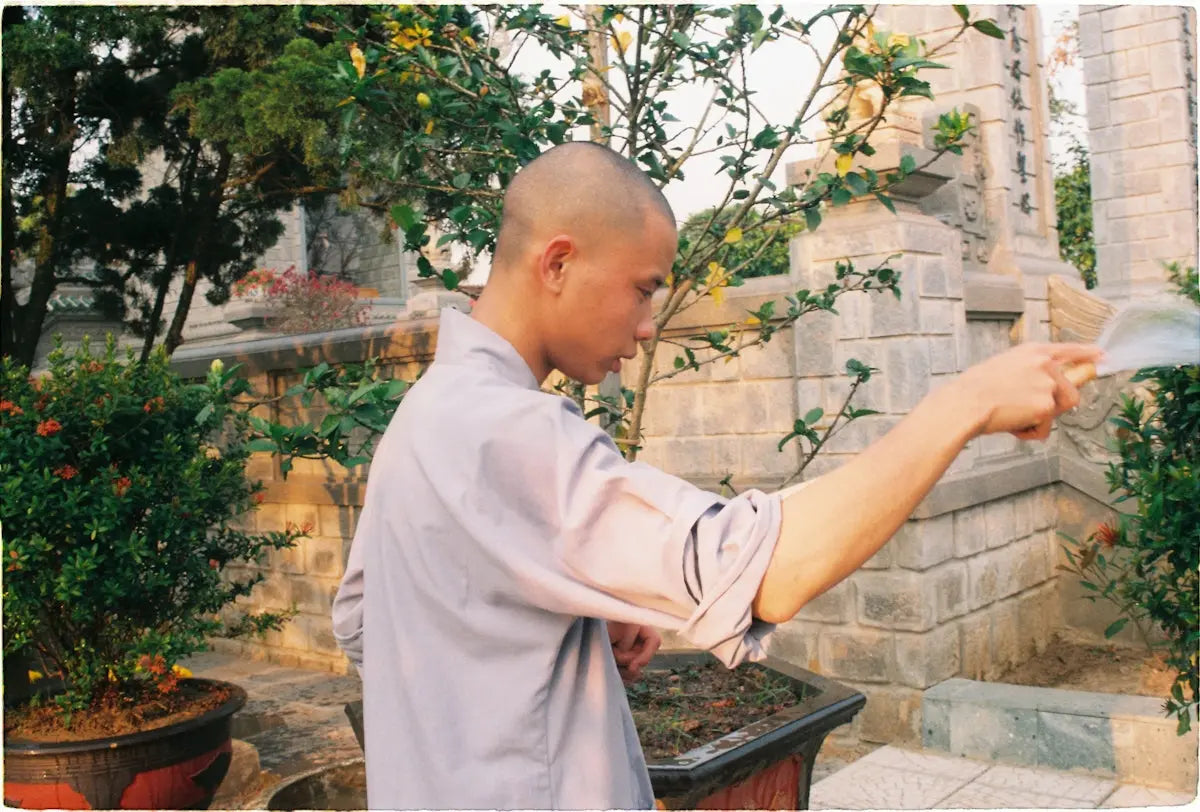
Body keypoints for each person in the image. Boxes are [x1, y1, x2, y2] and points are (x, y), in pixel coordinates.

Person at [331, 141, 1101, 810]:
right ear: (558, 262)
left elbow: (369, 624)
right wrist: (960, 405)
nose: (645, 326)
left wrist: (564, 606)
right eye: (643, 289)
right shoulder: (503, 428)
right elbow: (758, 570)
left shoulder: (426, 416)